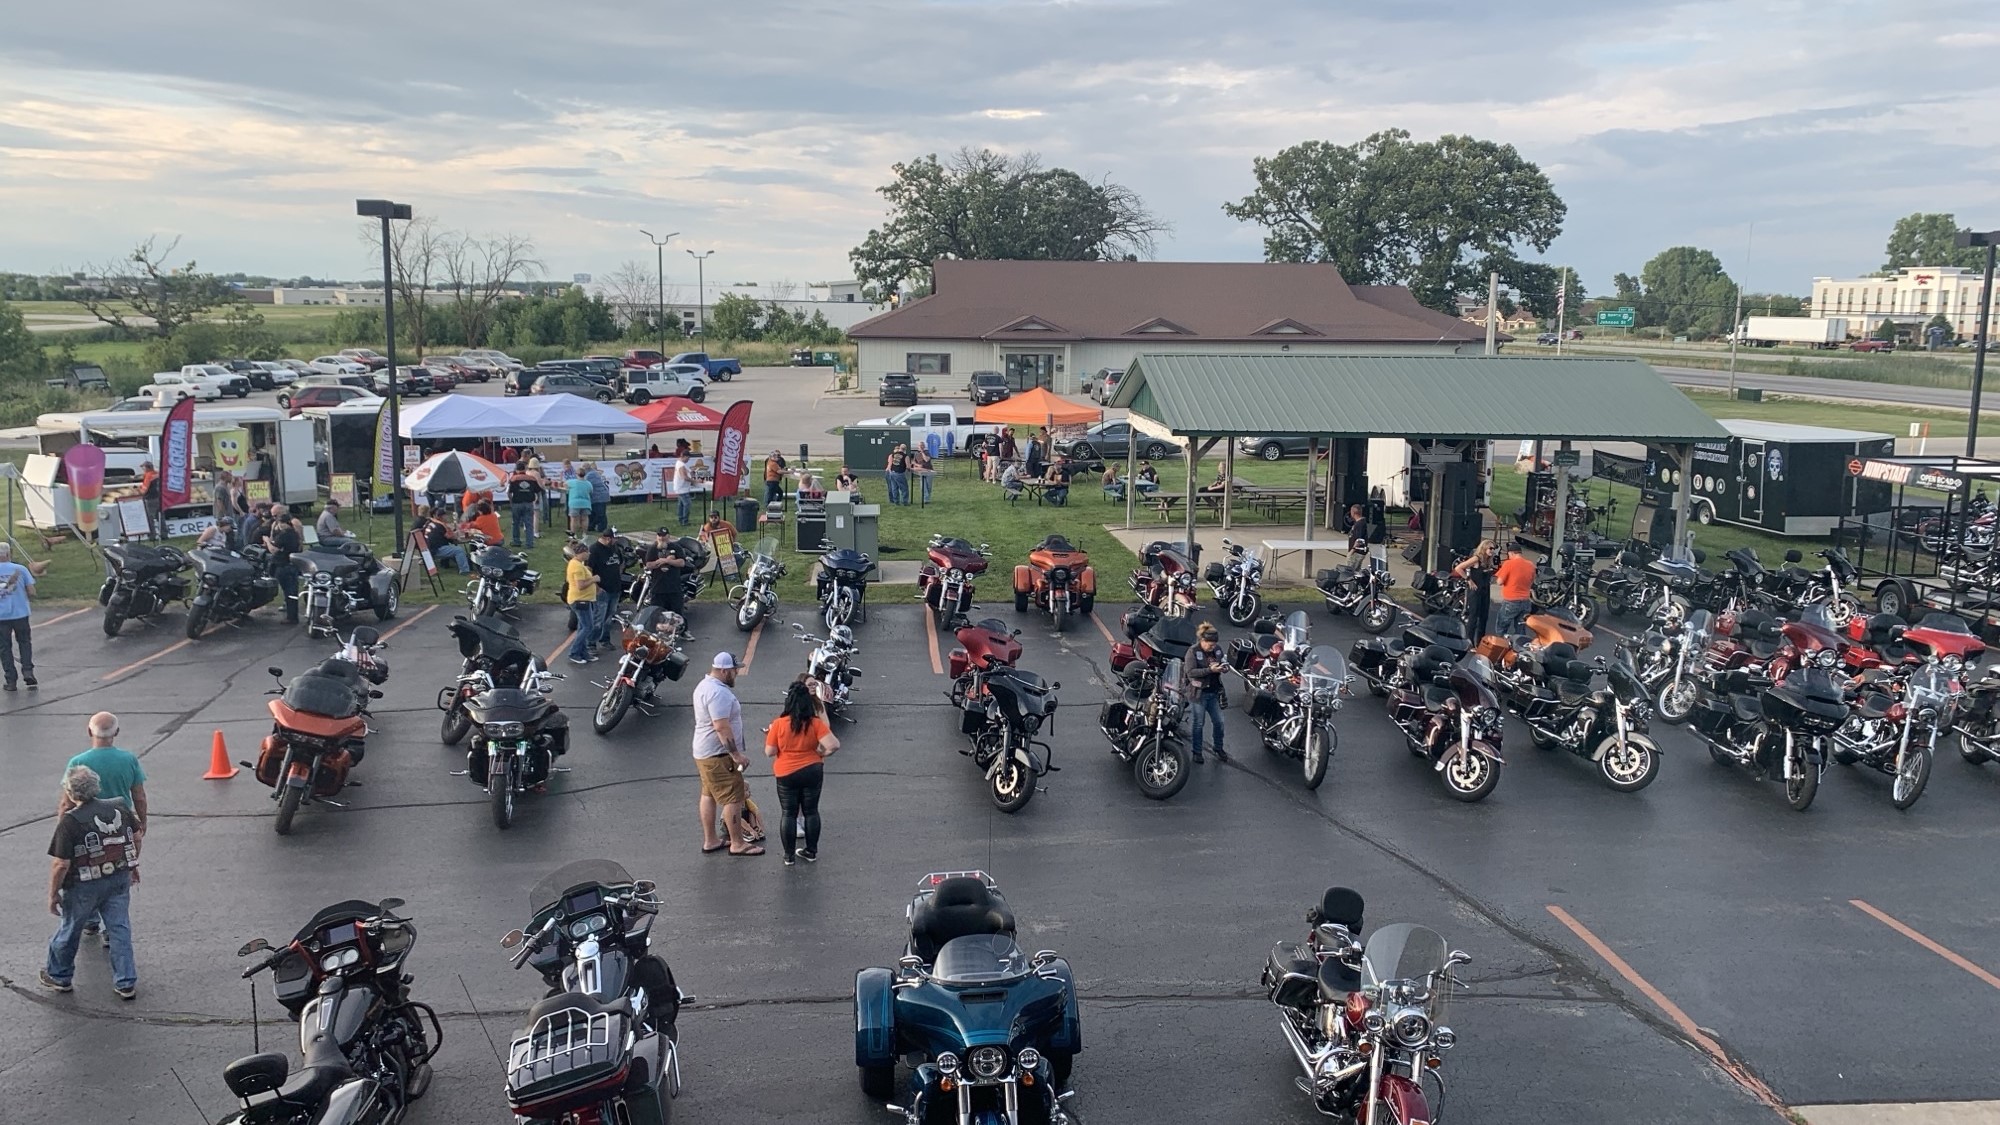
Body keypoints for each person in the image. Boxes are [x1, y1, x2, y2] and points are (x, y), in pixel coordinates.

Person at [43, 765, 138, 999]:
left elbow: (61, 864)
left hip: (83, 885)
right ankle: (125, 981)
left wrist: (53, 893)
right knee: (119, 929)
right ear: (97, 787)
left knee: (71, 929)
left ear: (71, 792)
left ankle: (60, 975)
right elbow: (135, 837)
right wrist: (132, 865)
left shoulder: (70, 821)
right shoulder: (119, 806)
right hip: (118, 877)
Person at [61, 713, 147, 945]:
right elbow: (139, 795)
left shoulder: (77, 762)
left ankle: (90, 920)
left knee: (87, 871)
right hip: (121, 826)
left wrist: (63, 828)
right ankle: (113, 927)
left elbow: (66, 803)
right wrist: (142, 821)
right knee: (118, 872)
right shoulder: (128, 759)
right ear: (116, 732)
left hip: (86, 828)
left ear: (89, 732)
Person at [692, 653, 762, 856]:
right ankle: (738, 843)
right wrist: (736, 754)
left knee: (708, 794)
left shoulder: (704, 686)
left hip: (704, 752)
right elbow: (721, 726)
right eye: (734, 670)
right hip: (718, 754)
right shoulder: (718, 693)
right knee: (734, 797)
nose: (736, 673)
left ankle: (711, 840)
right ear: (724, 670)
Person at [764, 679, 839, 865]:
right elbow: (833, 745)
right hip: (812, 769)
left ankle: (789, 856)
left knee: (788, 813)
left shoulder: (779, 724)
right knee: (811, 811)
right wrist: (820, 753)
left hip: (786, 773)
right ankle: (811, 851)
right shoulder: (815, 723)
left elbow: (769, 752)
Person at [1187, 623, 1229, 764]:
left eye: (1214, 645)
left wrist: (1224, 668)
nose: (1212, 647)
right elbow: (1190, 672)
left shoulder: (1217, 650)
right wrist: (1210, 670)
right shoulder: (1193, 652)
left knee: (1219, 721)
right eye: (1210, 645)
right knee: (1198, 724)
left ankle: (1218, 747)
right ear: (1202, 641)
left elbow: (1223, 661)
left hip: (1213, 693)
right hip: (1198, 694)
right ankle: (1197, 752)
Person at [0, 542, 37, 690]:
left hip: (1, 617)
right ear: (9, 553)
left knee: (4, 648)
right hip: (20, 613)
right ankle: (28, 671)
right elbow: (32, 592)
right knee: (24, 642)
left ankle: (11, 680)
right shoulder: (20, 569)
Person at [587, 528, 625, 649]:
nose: (616, 541)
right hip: (602, 590)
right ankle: (591, 643)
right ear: (608, 538)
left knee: (609, 618)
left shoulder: (614, 548)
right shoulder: (594, 550)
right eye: (614, 539)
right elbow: (588, 570)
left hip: (615, 588)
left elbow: (621, 562)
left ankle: (605, 639)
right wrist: (596, 587)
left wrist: (617, 574)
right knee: (598, 618)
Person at [265, 505, 303, 624]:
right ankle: (292, 615)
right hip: (292, 564)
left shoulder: (285, 535)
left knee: (289, 591)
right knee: (292, 592)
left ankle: (291, 617)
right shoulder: (294, 533)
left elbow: (274, 550)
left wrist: (267, 541)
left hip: (284, 565)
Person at [1453, 540, 1498, 637]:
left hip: (1485, 590)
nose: (1492, 550)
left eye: (1494, 548)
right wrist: (1468, 579)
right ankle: (1469, 640)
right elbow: (1458, 568)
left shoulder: (1488, 561)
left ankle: (1480, 640)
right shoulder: (1476, 559)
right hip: (1475, 590)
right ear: (1484, 548)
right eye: (1490, 548)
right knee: (1473, 617)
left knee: (1484, 617)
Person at [564, 544, 599, 664]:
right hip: (580, 600)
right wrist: (594, 579)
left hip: (584, 600)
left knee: (583, 627)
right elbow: (580, 585)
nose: (589, 554)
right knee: (587, 627)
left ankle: (583, 653)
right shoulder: (577, 567)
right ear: (581, 553)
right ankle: (574, 653)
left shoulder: (577, 564)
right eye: (587, 552)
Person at [1494, 542, 1537, 637]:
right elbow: (1532, 581)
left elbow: (1499, 582)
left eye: (1508, 554)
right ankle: (1520, 644)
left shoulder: (1508, 564)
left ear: (1512, 553)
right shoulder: (1531, 565)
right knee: (1521, 629)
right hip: (1526, 601)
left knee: (1501, 627)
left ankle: (1501, 644)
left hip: (1511, 601)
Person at [641, 528, 689, 614]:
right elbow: (648, 564)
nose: (661, 538)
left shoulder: (676, 547)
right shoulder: (653, 549)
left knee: (676, 615)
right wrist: (658, 562)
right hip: (658, 589)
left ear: (668, 536)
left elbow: (682, 563)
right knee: (656, 615)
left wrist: (667, 561)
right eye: (659, 535)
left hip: (674, 589)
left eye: (664, 535)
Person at [419, 507, 471, 575]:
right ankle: (464, 570)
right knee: (458, 550)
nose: (446, 517)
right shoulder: (440, 525)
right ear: (440, 517)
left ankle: (462, 565)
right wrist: (456, 533)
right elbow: (451, 537)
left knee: (453, 548)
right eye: (444, 515)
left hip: (428, 549)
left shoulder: (429, 522)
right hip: (435, 550)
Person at [506, 463, 543, 548]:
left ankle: (516, 541)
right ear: (525, 469)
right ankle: (529, 543)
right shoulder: (532, 479)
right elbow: (538, 490)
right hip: (529, 503)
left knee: (515, 523)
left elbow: (508, 492)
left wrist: (511, 501)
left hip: (517, 503)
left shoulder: (513, 479)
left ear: (516, 470)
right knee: (529, 524)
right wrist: (537, 500)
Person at [564, 463, 593, 535]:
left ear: (576, 474)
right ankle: (584, 533)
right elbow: (591, 491)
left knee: (574, 519)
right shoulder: (588, 483)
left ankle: (573, 534)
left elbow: (564, 484)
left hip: (574, 503)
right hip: (586, 503)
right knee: (585, 519)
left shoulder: (572, 482)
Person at [671, 455, 696, 527]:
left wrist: (691, 473)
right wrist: (695, 481)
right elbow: (684, 477)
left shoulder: (679, 463)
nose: (688, 460)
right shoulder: (681, 465)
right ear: (684, 456)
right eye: (688, 458)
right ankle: (685, 521)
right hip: (682, 488)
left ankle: (681, 519)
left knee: (681, 504)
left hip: (680, 487)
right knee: (687, 504)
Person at [587, 463, 611, 533]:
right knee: (593, 513)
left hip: (599, 496)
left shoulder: (591, 474)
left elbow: (587, 484)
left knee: (600, 513)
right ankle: (591, 526)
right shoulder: (592, 473)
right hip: (596, 496)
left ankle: (602, 527)